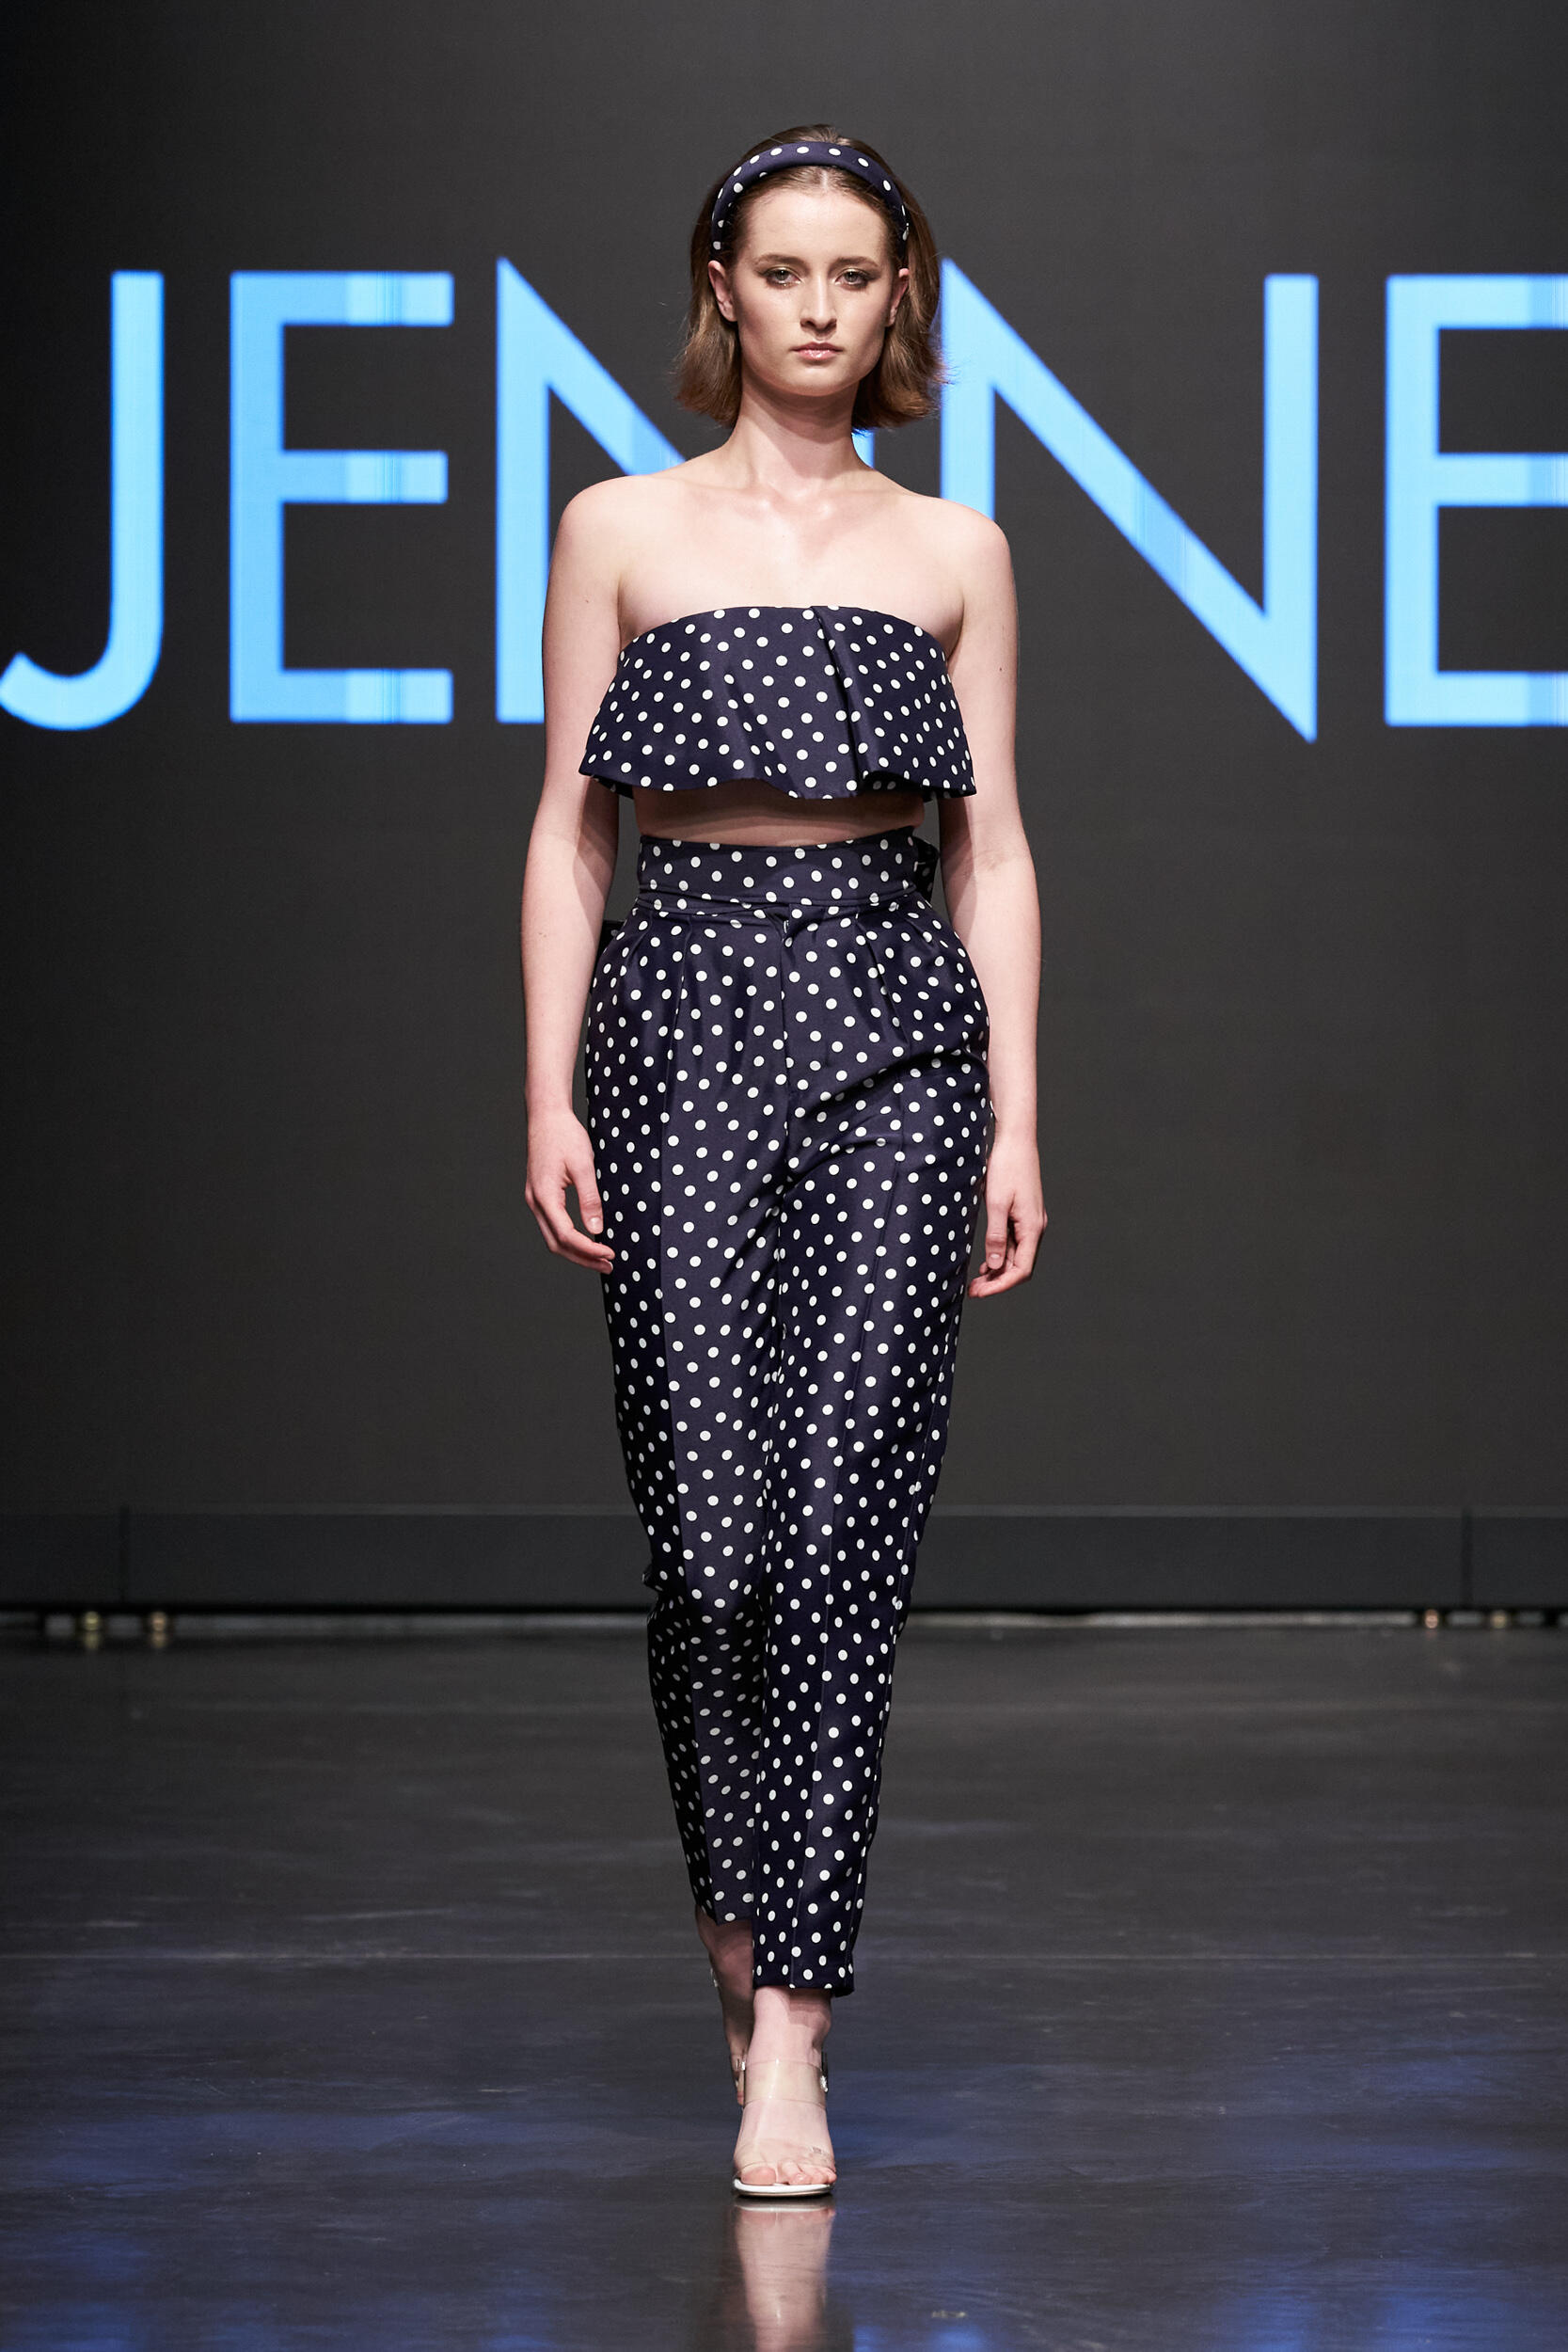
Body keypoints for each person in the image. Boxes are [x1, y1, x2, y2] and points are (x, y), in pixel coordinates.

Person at [520, 124, 1044, 2196]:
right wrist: (548, 1091)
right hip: (678, 1025)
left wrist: (1016, 1110)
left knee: (844, 1534)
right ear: (719, 289)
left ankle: (796, 2033)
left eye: (854, 273)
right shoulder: (617, 527)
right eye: (782, 269)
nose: (818, 306)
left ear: (897, 297)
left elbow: (993, 851)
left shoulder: (957, 551)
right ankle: (740, 1928)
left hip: (897, 1029)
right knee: (711, 1544)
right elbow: (570, 834)